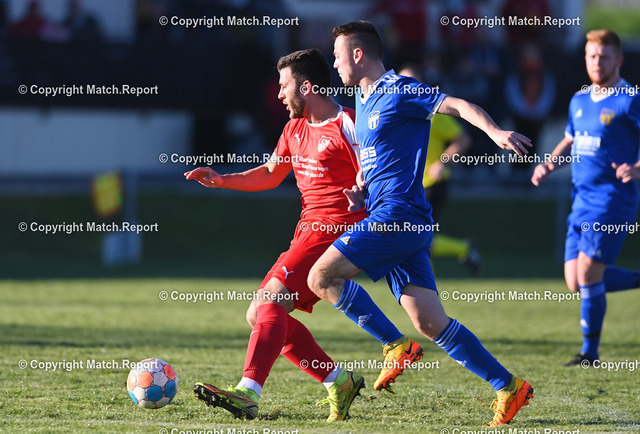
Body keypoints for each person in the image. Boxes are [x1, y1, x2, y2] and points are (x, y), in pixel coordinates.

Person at [307, 21, 534, 427]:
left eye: (338, 55)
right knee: (430, 322)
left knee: (321, 277)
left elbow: (458, 106)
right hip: (394, 216)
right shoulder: (363, 100)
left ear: (358, 54)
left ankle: (394, 345)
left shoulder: (399, 89)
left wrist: (495, 132)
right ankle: (509, 386)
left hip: (399, 217)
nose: (335, 63)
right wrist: (362, 188)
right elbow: (379, 158)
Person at [185, 48, 419, 422]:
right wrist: (222, 179)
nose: (279, 94)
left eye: (284, 85)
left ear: (307, 87)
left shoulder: (350, 125)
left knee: (270, 302)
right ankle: (339, 381)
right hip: (306, 233)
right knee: (259, 314)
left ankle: (248, 392)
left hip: (337, 232)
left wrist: (367, 199)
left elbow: (383, 176)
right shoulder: (293, 128)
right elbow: (270, 174)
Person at [531, 29, 640, 367]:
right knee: (575, 282)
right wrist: (549, 164)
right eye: (592, 56)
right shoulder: (578, 100)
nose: (597, 62)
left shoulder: (630, 99)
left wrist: (636, 168)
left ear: (619, 60)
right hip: (581, 200)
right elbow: (570, 141)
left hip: (612, 200)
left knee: (590, 275)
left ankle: (589, 354)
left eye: (604, 56)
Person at [399, 64, 481, 274]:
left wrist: (443, 161)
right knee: (414, 236)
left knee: (415, 236)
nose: (408, 87)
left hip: (432, 183)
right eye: (403, 82)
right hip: (409, 186)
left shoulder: (432, 112)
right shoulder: (396, 113)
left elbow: (463, 139)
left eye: (412, 82)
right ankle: (464, 248)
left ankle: (426, 287)